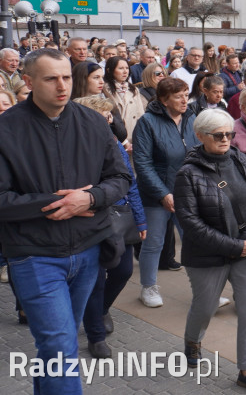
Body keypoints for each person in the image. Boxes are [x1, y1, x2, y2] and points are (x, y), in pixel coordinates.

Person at [0, 49, 131, 393]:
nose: (62, 86)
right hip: (34, 255)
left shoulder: (92, 121)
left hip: (88, 251)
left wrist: (90, 198)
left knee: (59, 346)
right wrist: (60, 202)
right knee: (60, 348)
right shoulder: (6, 129)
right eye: (51, 78)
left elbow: (120, 177)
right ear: (28, 82)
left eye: (67, 78)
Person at [174, 109, 246, 394]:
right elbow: (190, 224)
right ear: (200, 136)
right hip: (208, 255)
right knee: (205, 307)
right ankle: (193, 341)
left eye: (230, 133)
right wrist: (234, 246)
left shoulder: (239, 158)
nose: (226, 139)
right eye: (219, 135)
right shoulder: (187, 174)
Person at [134, 77, 200, 308]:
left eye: (186, 94)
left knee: (194, 241)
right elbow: (142, 163)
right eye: (178, 96)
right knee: (154, 243)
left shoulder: (191, 118)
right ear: (163, 100)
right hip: (156, 195)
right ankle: (148, 287)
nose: (185, 100)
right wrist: (163, 193)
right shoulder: (148, 122)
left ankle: (203, 289)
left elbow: (199, 153)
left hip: (187, 192)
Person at [104, 56, 148, 142]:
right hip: (116, 138)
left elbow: (140, 114)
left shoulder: (133, 89)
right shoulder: (105, 89)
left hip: (134, 136)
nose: (125, 71)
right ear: (110, 70)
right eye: (120, 68)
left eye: (127, 68)